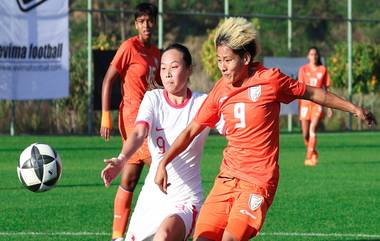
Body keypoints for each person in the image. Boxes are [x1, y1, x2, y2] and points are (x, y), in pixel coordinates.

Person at [154, 17, 376, 241]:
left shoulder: (271, 81)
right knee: (203, 238)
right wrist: (164, 162)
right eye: (219, 59)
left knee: (229, 239)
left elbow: (312, 93)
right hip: (227, 179)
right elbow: (192, 129)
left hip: (257, 182)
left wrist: (353, 108)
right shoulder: (220, 89)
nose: (222, 66)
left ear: (246, 58)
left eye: (228, 60)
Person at [101, 43, 211, 241]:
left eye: (174, 67)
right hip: (152, 199)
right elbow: (139, 132)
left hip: (185, 200)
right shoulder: (153, 98)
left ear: (189, 70)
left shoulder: (202, 103)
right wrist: (122, 158)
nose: (167, 73)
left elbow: (233, 128)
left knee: (164, 236)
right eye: (163, 68)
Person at [99, 3, 160, 241]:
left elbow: (155, 86)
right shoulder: (129, 47)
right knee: (161, 167)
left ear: (154, 22)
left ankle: (116, 236)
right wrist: (106, 115)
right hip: (133, 119)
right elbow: (108, 80)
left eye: (149, 20)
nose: (146, 25)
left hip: (149, 118)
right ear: (136, 24)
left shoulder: (156, 53)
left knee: (131, 176)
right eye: (141, 21)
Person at [298, 47, 333, 166]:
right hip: (305, 104)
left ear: (318, 56)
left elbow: (327, 90)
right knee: (305, 134)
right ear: (308, 56)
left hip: (318, 103)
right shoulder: (303, 69)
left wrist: (329, 107)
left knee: (312, 129)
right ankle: (313, 152)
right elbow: (300, 87)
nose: (314, 56)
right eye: (311, 54)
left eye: (315, 54)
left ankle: (309, 158)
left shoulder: (323, 70)